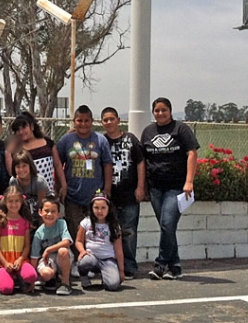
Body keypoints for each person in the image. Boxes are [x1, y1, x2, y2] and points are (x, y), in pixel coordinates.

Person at [141, 97, 199, 281]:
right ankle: (175, 266)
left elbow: (192, 153)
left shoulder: (181, 129)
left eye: (163, 110)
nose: (160, 114)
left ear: (170, 111)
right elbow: (142, 160)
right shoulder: (148, 131)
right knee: (167, 227)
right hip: (155, 188)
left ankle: (160, 264)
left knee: (167, 224)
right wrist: (142, 186)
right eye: (157, 111)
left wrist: (189, 181)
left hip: (176, 187)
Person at [99, 106, 146, 279]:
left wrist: (140, 187)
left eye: (112, 119)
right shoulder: (101, 141)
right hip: (109, 197)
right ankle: (112, 266)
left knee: (129, 232)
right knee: (109, 232)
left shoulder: (131, 139)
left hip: (129, 195)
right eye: (105, 120)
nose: (109, 122)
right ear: (102, 123)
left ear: (119, 120)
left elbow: (141, 163)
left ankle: (129, 267)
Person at [56, 105, 113, 241]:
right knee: (74, 229)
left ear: (92, 121)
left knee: (94, 230)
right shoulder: (66, 140)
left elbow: (107, 164)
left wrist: (107, 188)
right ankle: (78, 258)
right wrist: (59, 187)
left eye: (86, 120)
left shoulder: (100, 140)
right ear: (74, 121)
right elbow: (58, 165)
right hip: (73, 195)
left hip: (95, 196)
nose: (83, 124)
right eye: (79, 120)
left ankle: (93, 259)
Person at [74, 192, 125, 291]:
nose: (99, 211)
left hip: (108, 259)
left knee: (113, 285)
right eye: (96, 208)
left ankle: (106, 277)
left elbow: (119, 250)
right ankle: (84, 276)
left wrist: (121, 271)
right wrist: (82, 251)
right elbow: (78, 241)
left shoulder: (114, 226)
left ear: (108, 208)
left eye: (103, 208)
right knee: (84, 262)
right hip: (91, 257)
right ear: (91, 208)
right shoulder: (86, 222)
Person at [0, 185, 38, 294]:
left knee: (32, 276)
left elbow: (27, 246)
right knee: (6, 289)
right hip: (5, 261)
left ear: (22, 201)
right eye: (10, 201)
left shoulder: (25, 222)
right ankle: (1, 276)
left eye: (17, 201)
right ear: (5, 202)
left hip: (20, 260)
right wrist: (5, 263)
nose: (13, 204)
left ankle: (19, 277)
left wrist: (20, 260)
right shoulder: (0, 222)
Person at [7, 112, 66, 194]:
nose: (21, 132)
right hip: (28, 195)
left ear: (32, 126)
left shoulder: (47, 142)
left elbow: (58, 165)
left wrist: (63, 185)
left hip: (48, 193)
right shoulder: (17, 148)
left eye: (24, 127)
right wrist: (8, 152)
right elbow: (12, 172)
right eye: (18, 130)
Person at [30, 193, 73, 296]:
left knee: (62, 250)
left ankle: (65, 283)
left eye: (53, 211)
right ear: (40, 212)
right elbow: (34, 257)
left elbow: (67, 242)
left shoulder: (61, 223)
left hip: (62, 257)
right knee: (46, 273)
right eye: (46, 211)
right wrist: (31, 281)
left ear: (58, 214)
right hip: (48, 259)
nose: (49, 214)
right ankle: (52, 278)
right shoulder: (39, 233)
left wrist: (48, 249)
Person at [7, 149, 49, 227]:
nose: (21, 170)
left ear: (30, 165)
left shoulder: (39, 181)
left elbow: (43, 207)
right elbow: (14, 205)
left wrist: (40, 231)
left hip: (41, 217)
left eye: (24, 166)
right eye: (18, 167)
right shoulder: (14, 182)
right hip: (24, 219)